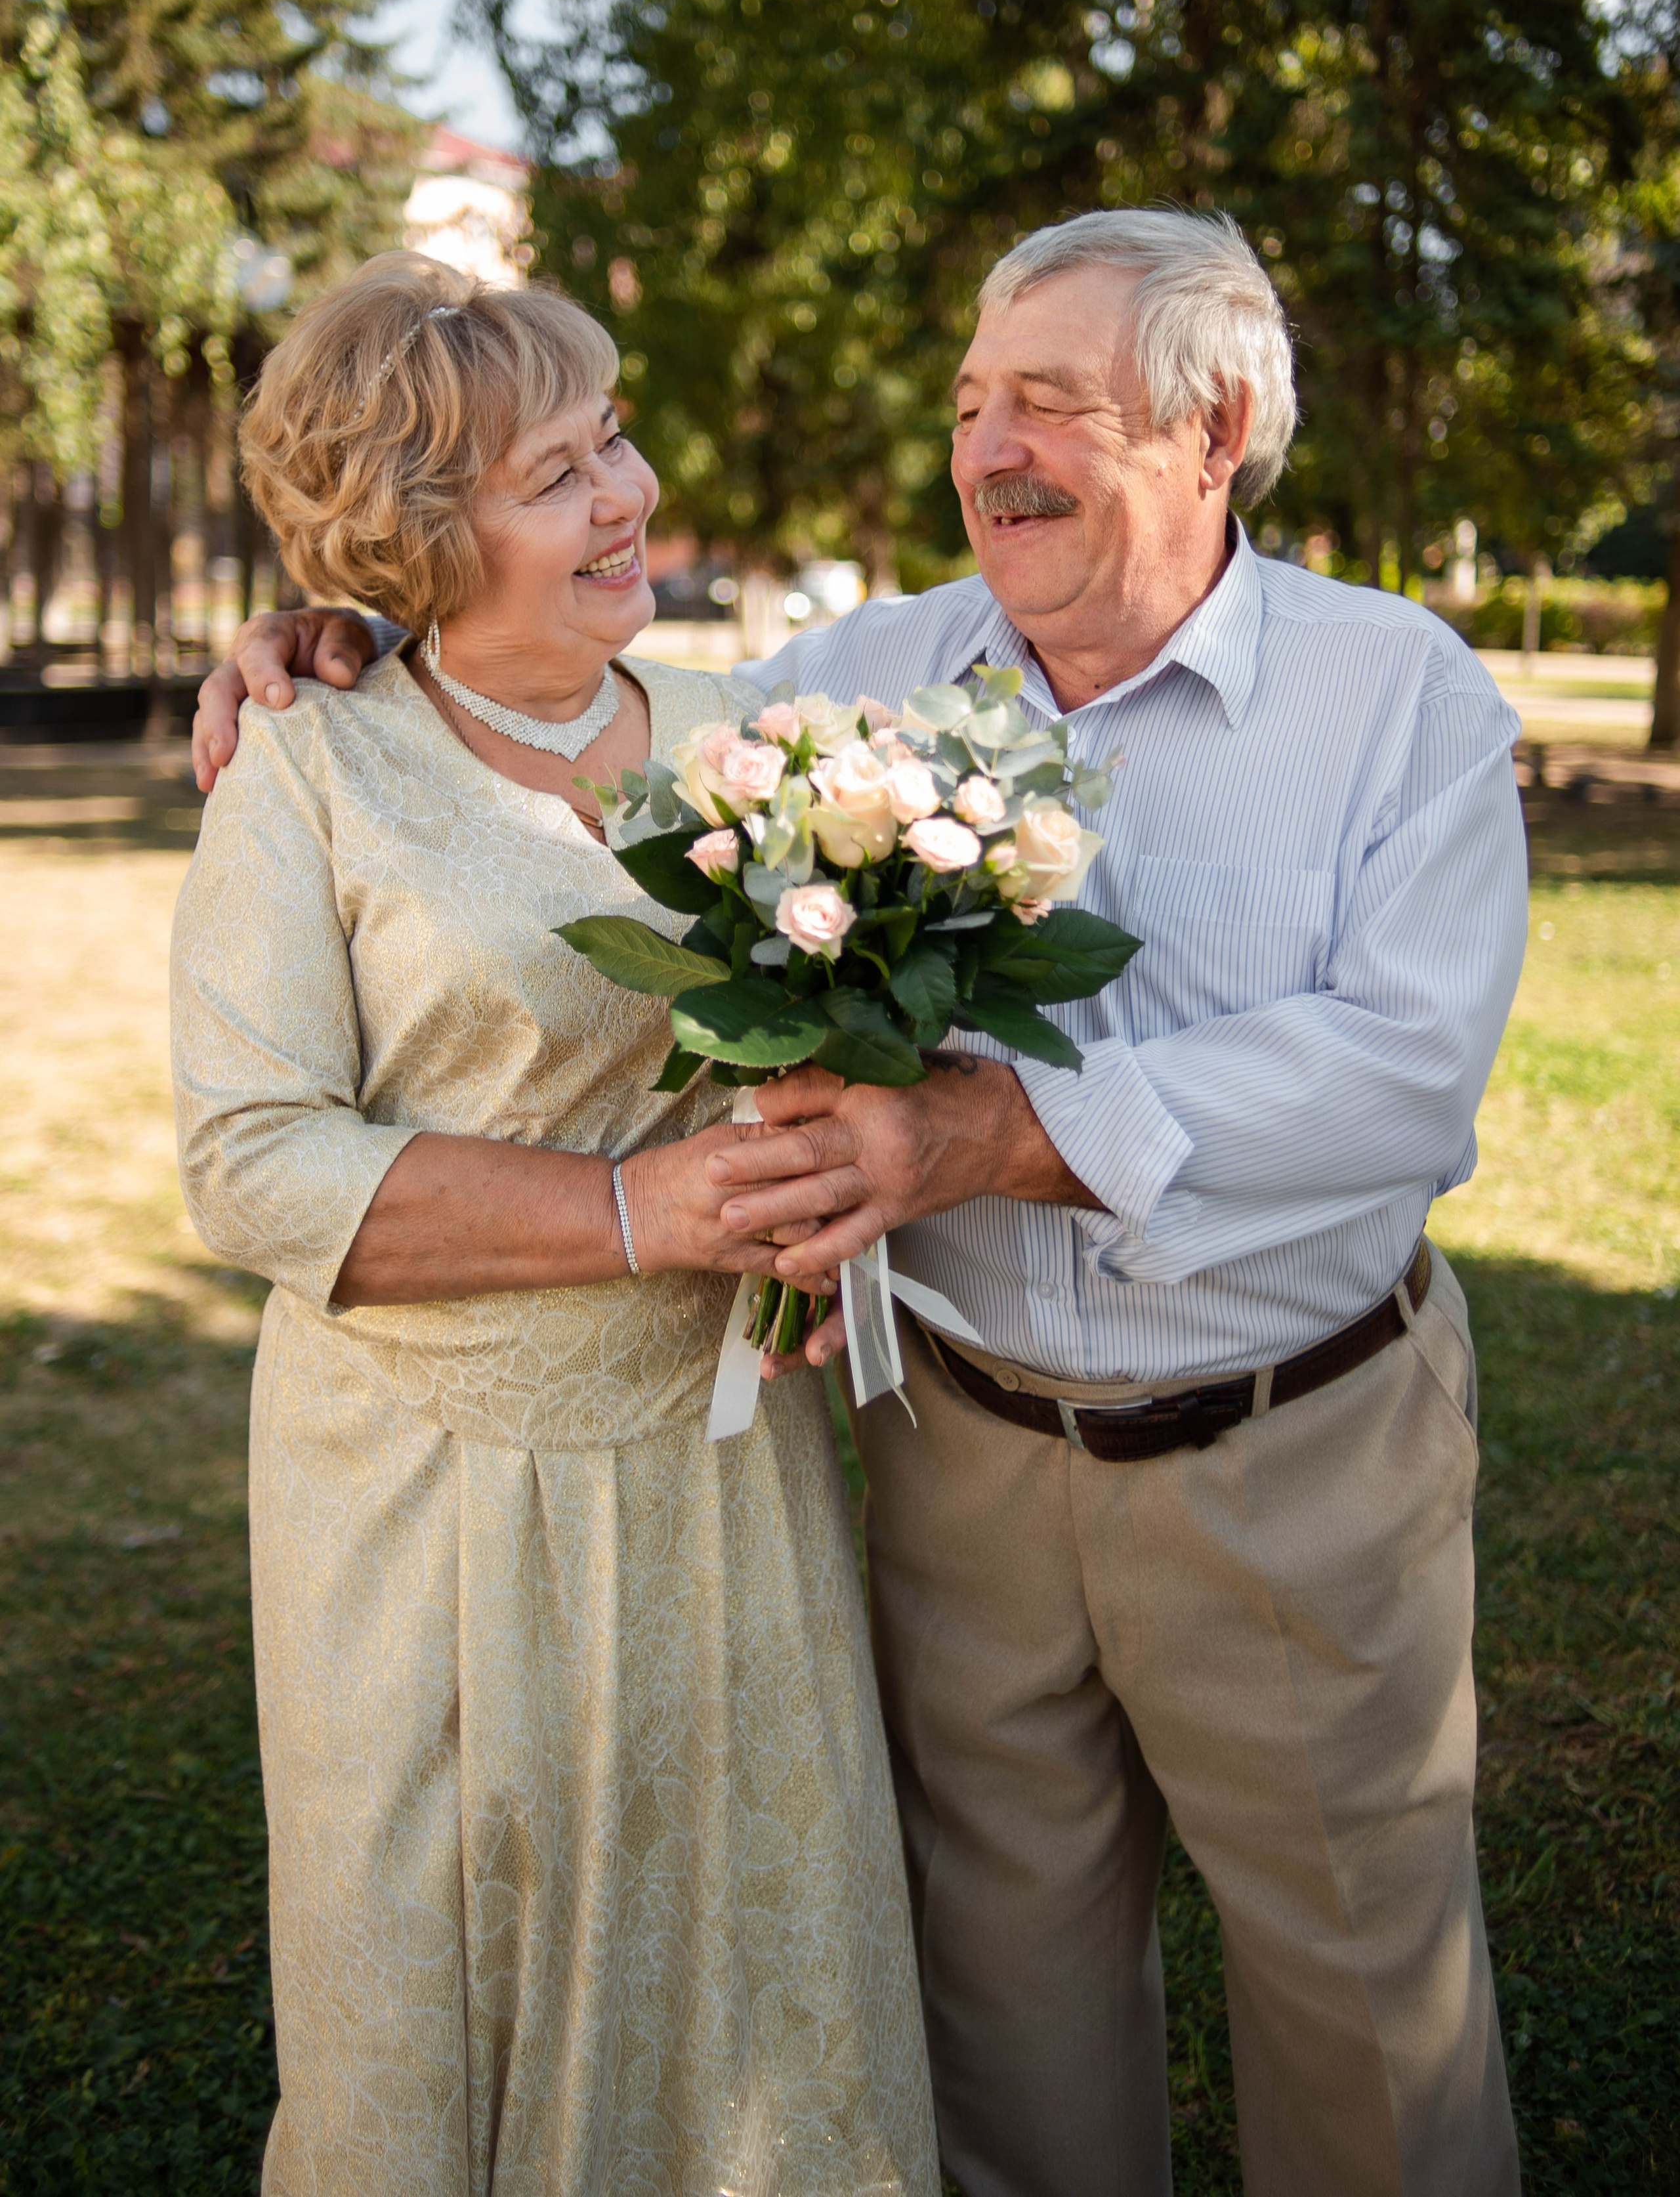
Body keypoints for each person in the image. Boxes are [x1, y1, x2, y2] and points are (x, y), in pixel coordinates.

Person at [195, 210, 1529, 2197]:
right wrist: (333, 632)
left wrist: (991, 1142)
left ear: (1220, 421)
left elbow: (1409, 1072)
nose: (987, 449)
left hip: (1294, 1445)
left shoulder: (1396, 691)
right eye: (975, 400)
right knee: (1006, 2024)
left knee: (1369, 2023)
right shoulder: (866, 678)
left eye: (1053, 403)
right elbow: (509, 653)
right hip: (957, 1463)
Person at [171, 252, 938, 2197]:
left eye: (616, 440)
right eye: (560, 472)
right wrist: (641, 1204)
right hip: (422, 1491)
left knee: (757, 1975)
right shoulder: (309, 760)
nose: (633, 493)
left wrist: (823, 1183)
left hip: (721, 1464)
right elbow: (251, 1160)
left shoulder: (753, 732)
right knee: (441, 1972)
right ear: (425, 538)